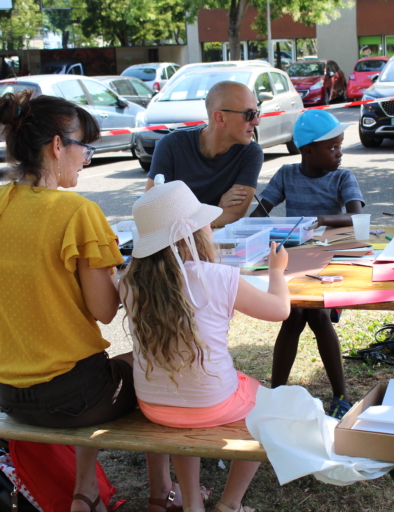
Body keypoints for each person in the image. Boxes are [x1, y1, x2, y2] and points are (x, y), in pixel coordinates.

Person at [0, 90, 135, 512]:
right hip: (74, 398)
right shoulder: (76, 211)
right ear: (58, 145)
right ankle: (162, 493)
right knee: (154, 365)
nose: (87, 158)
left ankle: (85, 493)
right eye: (84, 147)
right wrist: (128, 272)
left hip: (11, 395)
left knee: (105, 370)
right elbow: (105, 311)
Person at [121, 181, 290, 512]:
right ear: (193, 234)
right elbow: (280, 310)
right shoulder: (217, 276)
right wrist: (277, 271)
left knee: (186, 404)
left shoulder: (128, 282)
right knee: (271, 408)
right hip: (212, 402)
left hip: (154, 406)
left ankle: (192, 502)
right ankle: (230, 503)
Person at [250, 109, 365, 419]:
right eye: (332, 147)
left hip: (327, 263)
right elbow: (260, 213)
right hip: (293, 262)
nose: (340, 153)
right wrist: (252, 219)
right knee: (293, 313)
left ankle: (340, 395)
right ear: (307, 150)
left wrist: (323, 219)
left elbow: (356, 217)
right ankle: (276, 395)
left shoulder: (343, 177)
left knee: (315, 315)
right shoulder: (287, 174)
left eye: (341, 145)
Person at [144, 80, 264, 228]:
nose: (256, 121)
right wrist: (214, 211)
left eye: (257, 113)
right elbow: (150, 210)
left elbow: (234, 214)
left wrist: (180, 216)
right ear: (220, 118)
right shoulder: (171, 145)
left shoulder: (251, 153)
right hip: (172, 246)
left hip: (212, 243)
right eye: (249, 114)